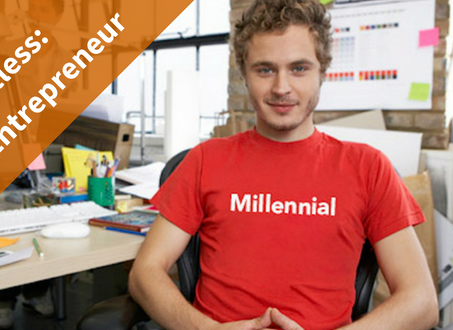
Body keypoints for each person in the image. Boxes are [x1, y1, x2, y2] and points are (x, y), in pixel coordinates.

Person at [128, 1, 439, 329]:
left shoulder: (368, 167)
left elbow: (421, 301)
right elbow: (144, 272)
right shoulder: (206, 159)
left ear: (323, 71)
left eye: (299, 68)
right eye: (265, 69)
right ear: (244, 74)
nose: (281, 87)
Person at [0, 0, 72, 328]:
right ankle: (1, 296)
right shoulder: (6, 47)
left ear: (57, 15)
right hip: (6, 146)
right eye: (31, 7)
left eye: (42, 8)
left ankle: (36, 291)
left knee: (39, 217)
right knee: (4, 222)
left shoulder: (63, 54)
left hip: (41, 146)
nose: (33, 13)